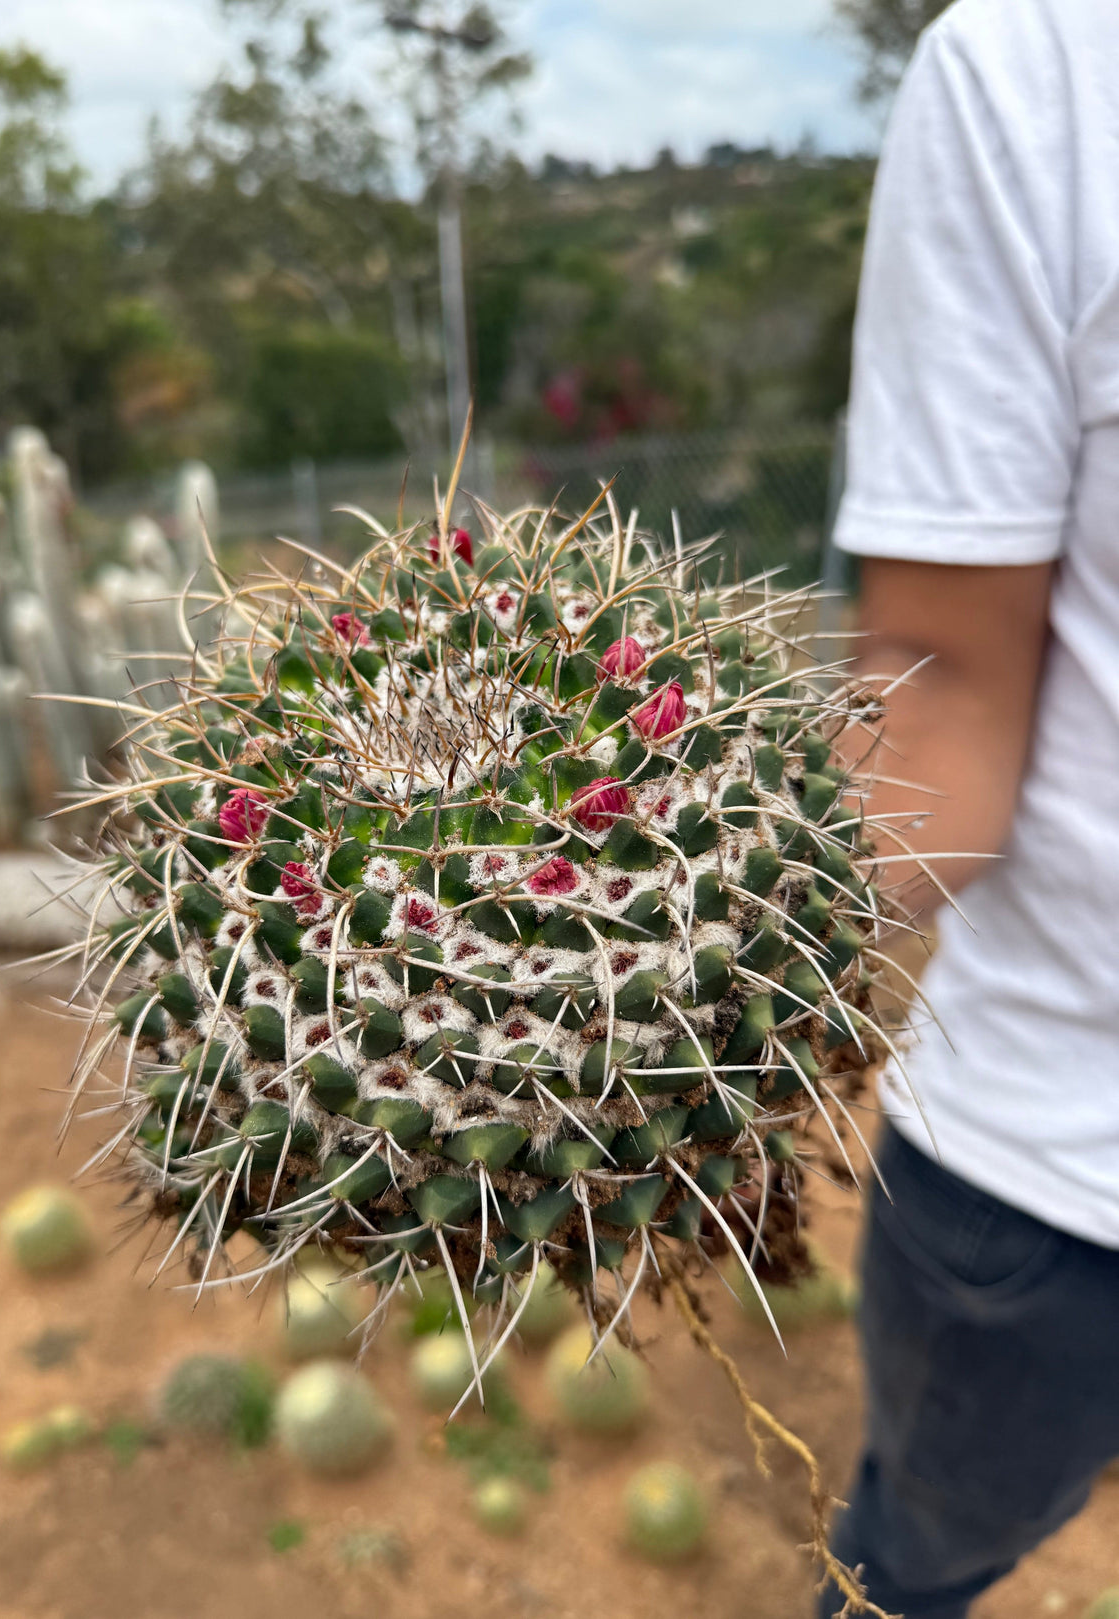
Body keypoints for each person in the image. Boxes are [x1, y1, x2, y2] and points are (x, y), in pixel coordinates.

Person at [817, 1, 1119, 1614]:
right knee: (910, 1567)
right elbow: (939, 703)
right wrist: (624, 954)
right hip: (1052, 1179)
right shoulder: (1037, 66)